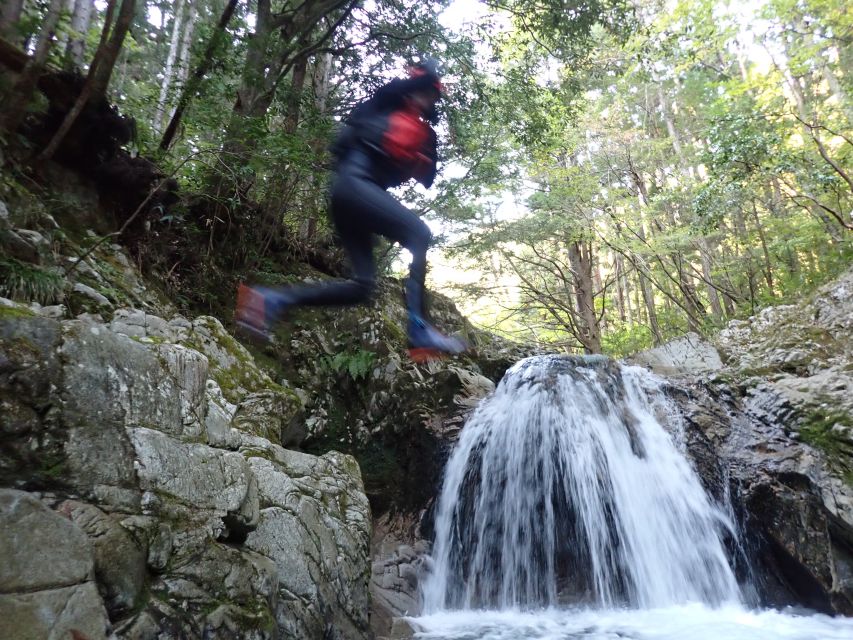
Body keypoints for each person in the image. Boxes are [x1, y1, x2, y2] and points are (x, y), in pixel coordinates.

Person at [235, 59, 466, 361]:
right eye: (425, 93)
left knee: (362, 287)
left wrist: (428, 147)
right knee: (420, 234)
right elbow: (396, 90)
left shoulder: (421, 131)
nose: (427, 101)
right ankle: (419, 328)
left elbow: (427, 179)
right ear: (415, 88)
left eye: (432, 97)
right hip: (353, 185)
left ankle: (270, 299)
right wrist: (426, 78)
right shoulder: (384, 105)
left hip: (353, 199)